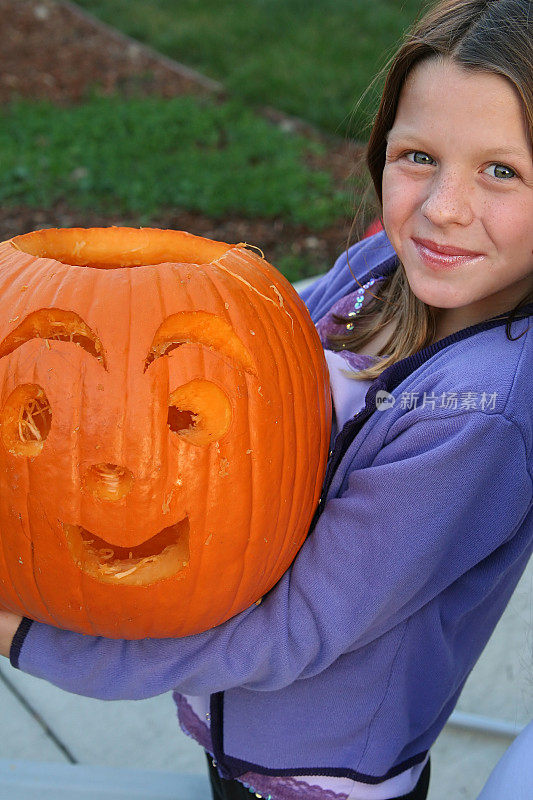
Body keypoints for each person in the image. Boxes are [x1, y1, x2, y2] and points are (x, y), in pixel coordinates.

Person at [1, 1, 532, 798]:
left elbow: (294, 631)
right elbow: (239, 333)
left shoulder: (479, 417)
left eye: (501, 171)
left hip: (314, 777)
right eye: (417, 156)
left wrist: (34, 638)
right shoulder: (377, 273)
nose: (442, 208)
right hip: (234, 723)